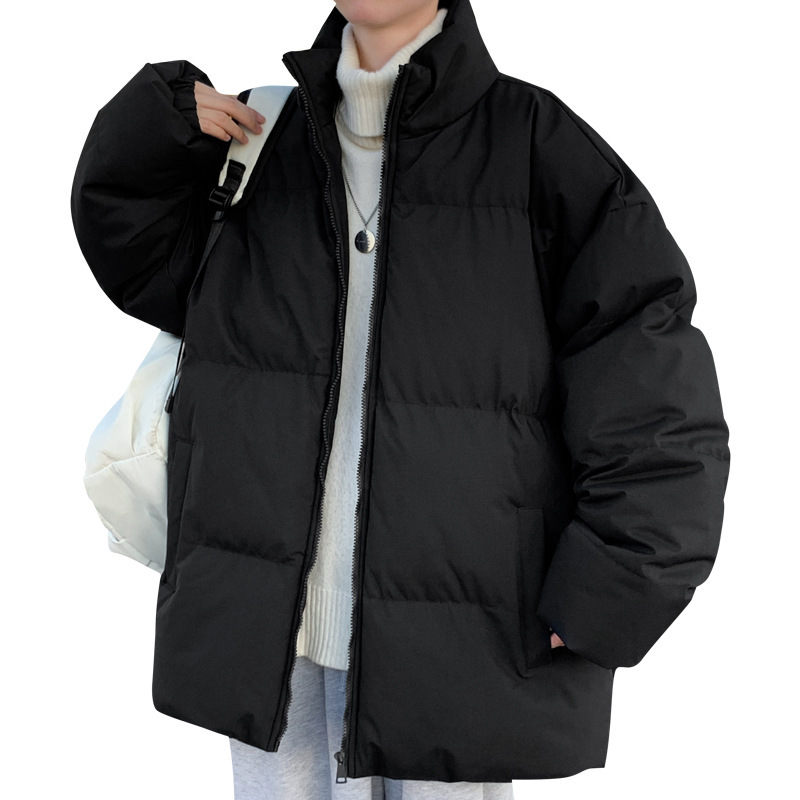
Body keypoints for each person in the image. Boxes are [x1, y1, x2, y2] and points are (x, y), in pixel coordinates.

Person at [70, 0, 731, 797]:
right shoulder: (257, 138)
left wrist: (611, 587)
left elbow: (652, 390)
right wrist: (153, 132)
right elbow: (139, 257)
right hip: (270, 629)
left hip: (465, 633)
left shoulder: (541, 151)